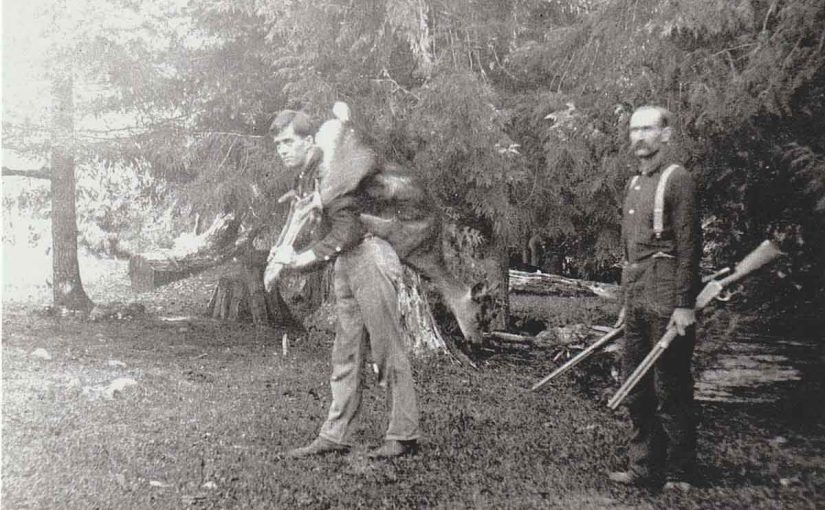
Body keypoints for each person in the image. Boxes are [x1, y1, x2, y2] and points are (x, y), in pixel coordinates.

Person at [267, 109, 421, 459]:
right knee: (346, 351)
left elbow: (349, 231)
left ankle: (404, 433)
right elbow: (322, 226)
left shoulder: (335, 168)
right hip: (347, 262)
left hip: (370, 254)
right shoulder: (307, 176)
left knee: (386, 346)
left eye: (288, 142)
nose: (282, 150)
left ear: (308, 141)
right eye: (278, 144)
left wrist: (301, 259)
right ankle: (337, 434)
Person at [609, 105, 701, 491]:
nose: (639, 137)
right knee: (635, 384)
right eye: (634, 130)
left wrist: (684, 304)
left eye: (648, 129)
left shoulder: (677, 179)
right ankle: (644, 468)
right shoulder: (634, 184)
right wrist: (624, 304)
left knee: (671, 387)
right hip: (638, 297)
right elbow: (632, 252)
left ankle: (681, 472)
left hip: (667, 299)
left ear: (666, 135)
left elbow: (689, 246)